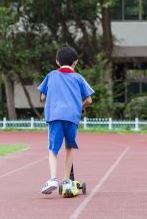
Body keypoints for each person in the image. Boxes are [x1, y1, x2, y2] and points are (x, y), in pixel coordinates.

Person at [38, 46, 94, 194]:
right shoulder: (78, 78)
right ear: (75, 62)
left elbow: (43, 97)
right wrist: (79, 107)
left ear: (57, 61)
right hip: (72, 117)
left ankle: (52, 179)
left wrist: (50, 101)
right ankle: (67, 181)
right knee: (69, 147)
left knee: (53, 149)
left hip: (55, 116)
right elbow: (89, 100)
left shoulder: (51, 76)